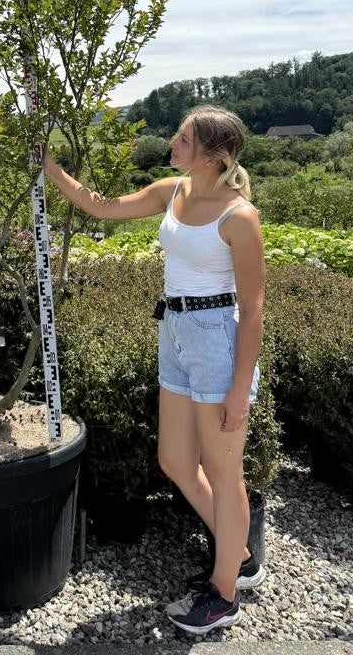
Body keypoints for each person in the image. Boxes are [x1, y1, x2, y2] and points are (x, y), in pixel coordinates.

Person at [43, 105, 265, 636]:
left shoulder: (238, 216)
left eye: (184, 138)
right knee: (175, 460)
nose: (172, 142)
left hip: (217, 340)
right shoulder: (175, 190)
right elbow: (101, 207)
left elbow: (254, 308)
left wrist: (239, 388)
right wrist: (49, 168)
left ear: (214, 153)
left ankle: (224, 593)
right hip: (174, 331)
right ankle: (237, 556)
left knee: (223, 472)